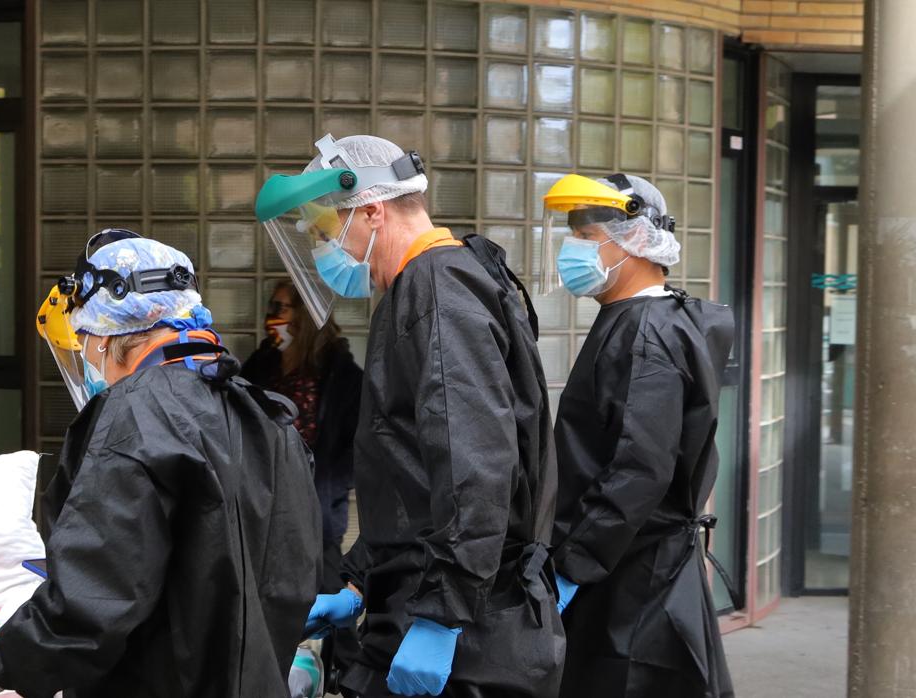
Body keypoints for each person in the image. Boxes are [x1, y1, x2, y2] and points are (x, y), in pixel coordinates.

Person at [257, 134, 563, 698]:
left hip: (468, 633)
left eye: (327, 232)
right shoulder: (436, 283)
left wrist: (443, 616)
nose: (329, 252)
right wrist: (360, 581)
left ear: (372, 210)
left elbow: (476, 465)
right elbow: (412, 476)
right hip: (433, 603)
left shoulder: (436, 290)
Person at [0, 230, 321, 698]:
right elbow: (288, 582)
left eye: (85, 346)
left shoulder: (136, 414)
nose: (89, 364)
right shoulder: (269, 417)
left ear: (110, 336)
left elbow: (92, 598)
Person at [540, 174, 735, 697]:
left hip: (632, 580)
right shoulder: (638, 319)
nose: (572, 247)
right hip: (623, 567)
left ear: (634, 241)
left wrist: (572, 564)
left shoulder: (648, 332)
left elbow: (639, 468)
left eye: (585, 234)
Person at [241, 281, 362, 592]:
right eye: (272, 308)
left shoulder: (338, 373)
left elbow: (352, 441)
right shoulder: (263, 363)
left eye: (280, 308)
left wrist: (334, 485)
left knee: (328, 584)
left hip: (316, 501)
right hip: (264, 495)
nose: (272, 317)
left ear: (303, 315)